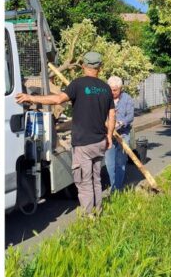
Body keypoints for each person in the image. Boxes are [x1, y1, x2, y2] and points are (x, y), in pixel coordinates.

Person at [15, 51, 115, 213]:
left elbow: (57, 100)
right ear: (100, 68)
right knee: (96, 179)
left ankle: (89, 219)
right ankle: (99, 211)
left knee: (84, 183)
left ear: (83, 66)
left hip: (83, 143)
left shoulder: (77, 84)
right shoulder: (106, 88)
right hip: (100, 141)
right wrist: (109, 136)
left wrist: (31, 98)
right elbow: (112, 114)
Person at [106, 76, 134, 192]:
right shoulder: (105, 98)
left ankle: (117, 189)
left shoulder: (127, 99)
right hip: (109, 135)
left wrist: (121, 122)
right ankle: (114, 186)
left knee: (120, 163)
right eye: (110, 89)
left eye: (115, 90)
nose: (112, 92)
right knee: (109, 164)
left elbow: (130, 116)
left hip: (123, 135)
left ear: (120, 88)